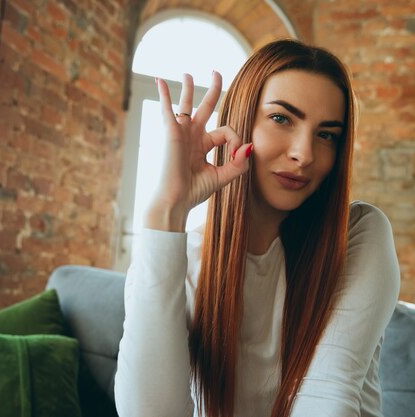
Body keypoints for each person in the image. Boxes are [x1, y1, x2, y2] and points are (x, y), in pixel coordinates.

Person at [115, 39, 400, 417]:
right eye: (282, 119)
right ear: (241, 121)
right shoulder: (179, 258)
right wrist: (166, 211)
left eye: (326, 134)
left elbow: (327, 402)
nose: (304, 153)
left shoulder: (359, 236)